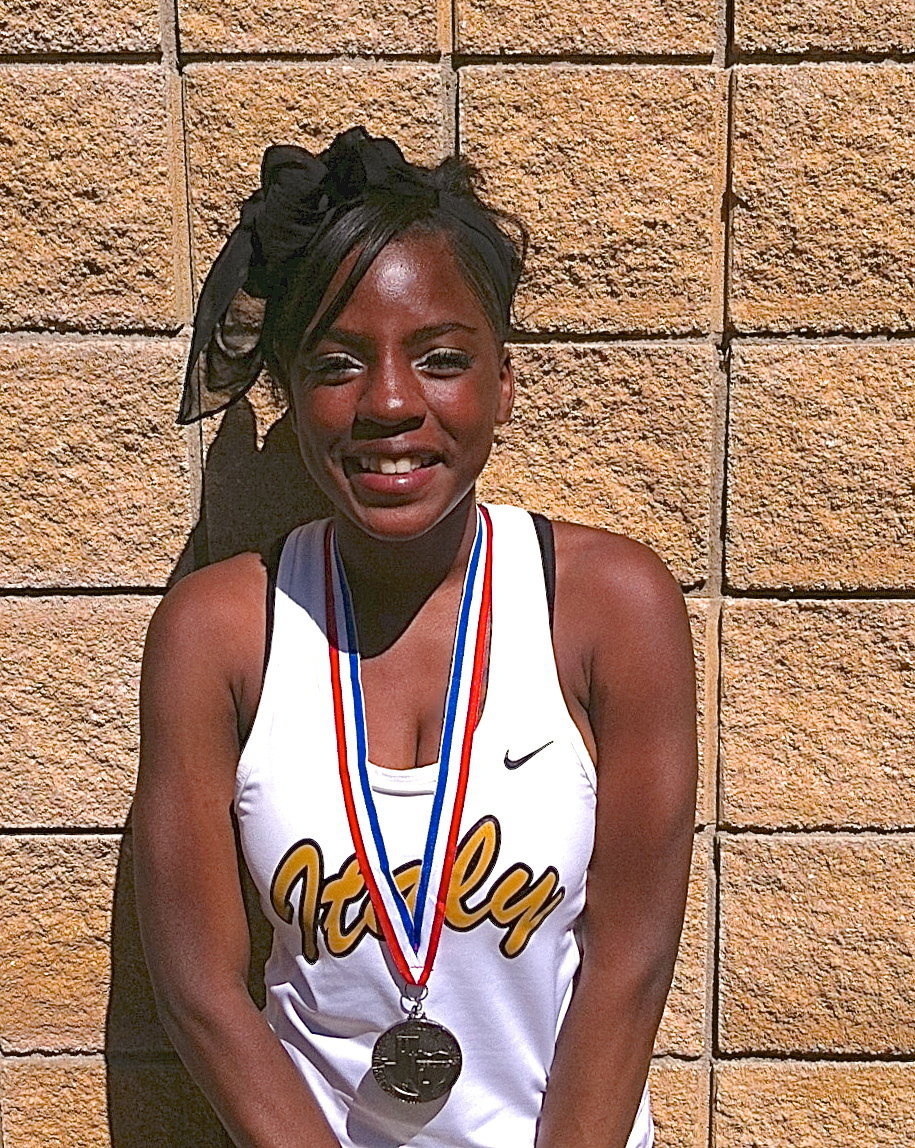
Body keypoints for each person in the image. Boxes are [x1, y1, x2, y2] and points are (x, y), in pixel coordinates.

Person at [133, 126, 698, 1148]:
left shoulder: (612, 608)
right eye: (339, 362)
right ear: (290, 393)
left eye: (440, 358)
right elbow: (200, 992)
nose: (392, 402)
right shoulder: (219, 633)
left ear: (504, 382)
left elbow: (631, 956)